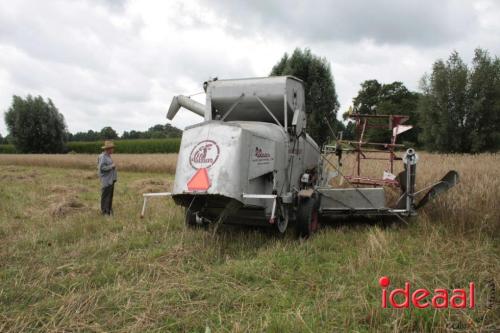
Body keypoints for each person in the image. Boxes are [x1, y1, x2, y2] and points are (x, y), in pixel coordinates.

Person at [97, 140, 117, 215]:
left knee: (109, 196)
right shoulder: (103, 157)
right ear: (108, 149)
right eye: (112, 148)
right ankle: (104, 212)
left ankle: (109, 211)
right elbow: (101, 168)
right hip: (106, 180)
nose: (113, 149)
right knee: (105, 197)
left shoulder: (108, 156)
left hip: (111, 180)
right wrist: (111, 166)